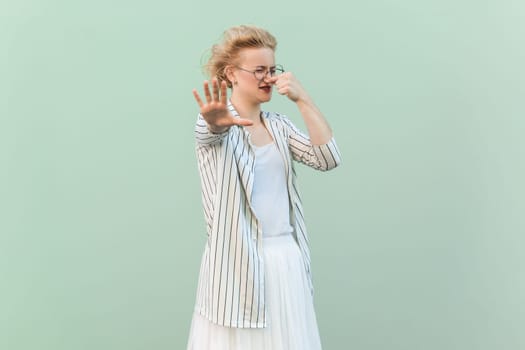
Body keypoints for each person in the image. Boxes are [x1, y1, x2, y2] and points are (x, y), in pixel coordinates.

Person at [187, 24, 341, 350]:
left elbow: (327, 158)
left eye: (272, 69)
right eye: (258, 70)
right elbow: (208, 130)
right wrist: (215, 121)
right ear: (231, 73)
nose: (268, 78)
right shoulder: (218, 126)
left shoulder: (280, 127)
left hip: (285, 261)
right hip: (236, 267)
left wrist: (304, 100)